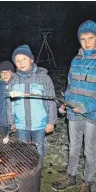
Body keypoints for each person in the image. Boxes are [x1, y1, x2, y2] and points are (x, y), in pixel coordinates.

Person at [51, 20, 96, 192]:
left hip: (92, 115)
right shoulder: (76, 60)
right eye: (83, 38)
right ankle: (71, 176)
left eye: (90, 38)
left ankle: (88, 180)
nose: (86, 42)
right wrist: (65, 103)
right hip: (74, 113)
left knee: (90, 150)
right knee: (74, 146)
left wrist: (86, 107)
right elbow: (70, 86)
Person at [8, 44, 57, 162]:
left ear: (31, 59)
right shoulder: (13, 80)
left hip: (39, 123)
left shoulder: (43, 78)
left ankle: (37, 171)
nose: (21, 63)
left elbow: (51, 101)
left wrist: (51, 122)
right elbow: (9, 103)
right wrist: (11, 121)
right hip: (21, 123)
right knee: (22, 149)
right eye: (17, 60)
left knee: (38, 148)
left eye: (24, 59)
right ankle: (26, 173)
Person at [0, 61, 15, 136]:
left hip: (14, 124)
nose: (5, 74)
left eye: (7, 72)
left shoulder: (17, 86)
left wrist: (17, 122)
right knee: (1, 144)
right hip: (0, 123)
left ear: (12, 73)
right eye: (2, 72)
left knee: (15, 145)